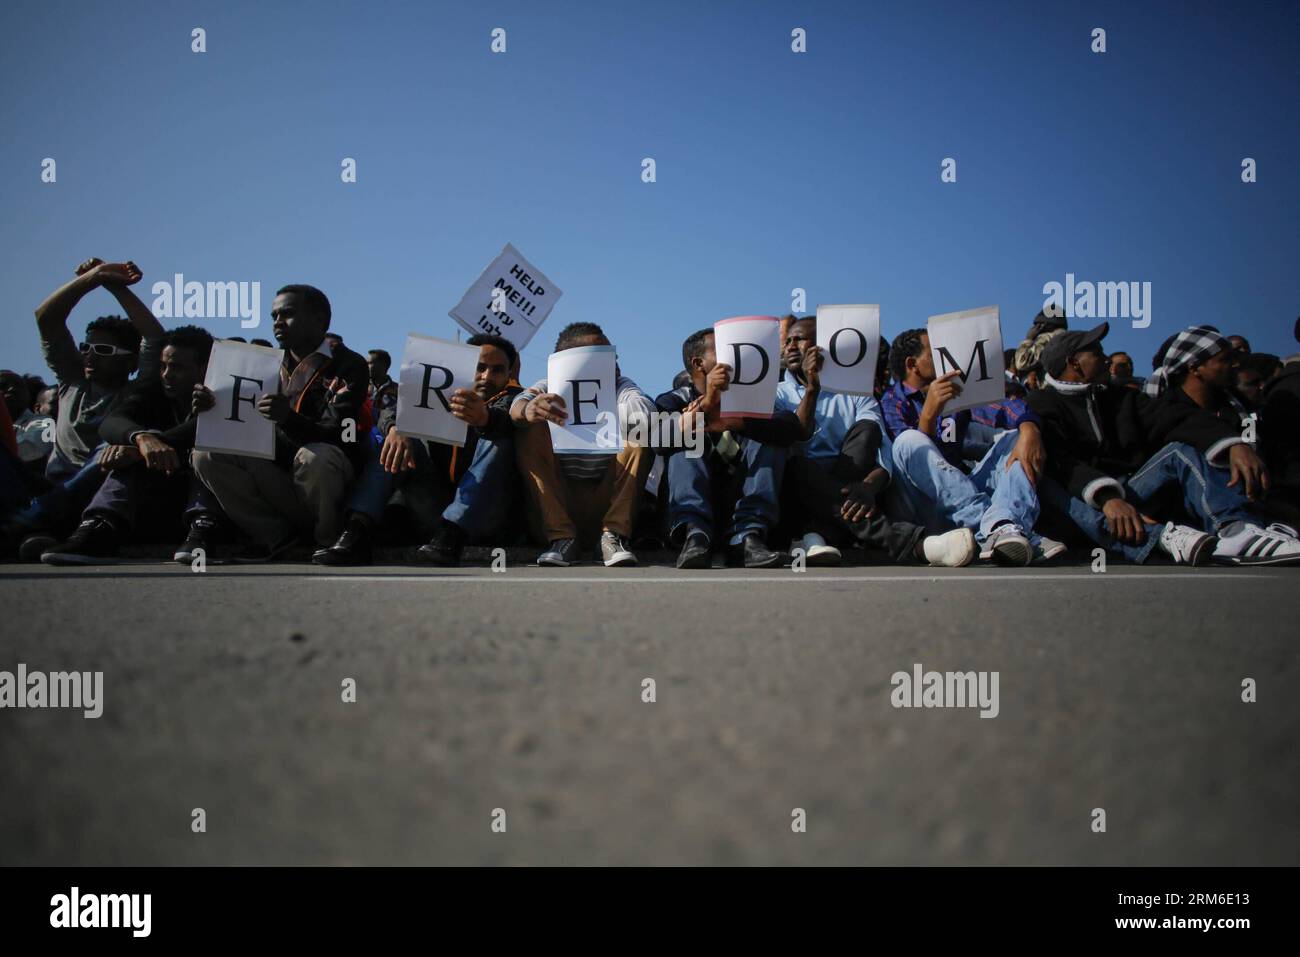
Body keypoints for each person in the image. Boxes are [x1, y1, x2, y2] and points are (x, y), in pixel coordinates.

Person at [1027, 323, 1300, 566]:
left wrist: (1233, 445)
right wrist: (1106, 497)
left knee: (1184, 449)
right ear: (1075, 363)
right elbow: (1062, 462)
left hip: (1133, 492)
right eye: (1097, 353)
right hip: (1081, 504)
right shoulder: (1043, 402)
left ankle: (1235, 530)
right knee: (1048, 478)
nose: (1106, 359)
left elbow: (1177, 418)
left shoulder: (1121, 398)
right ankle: (1160, 539)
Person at [777, 317, 977, 567]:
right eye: (788, 341)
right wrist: (812, 388)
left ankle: (817, 534)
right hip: (802, 486)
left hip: (854, 486)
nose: (791, 346)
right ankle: (919, 544)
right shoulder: (777, 394)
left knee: (867, 429)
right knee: (798, 466)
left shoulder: (855, 393)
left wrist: (868, 486)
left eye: (800, 339)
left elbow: (880, 442)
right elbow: (798, 434)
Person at [191, 285, 370, 561]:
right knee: (206, 454)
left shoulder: (349, 364)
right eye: (273, 315)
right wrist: (207, 408)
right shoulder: (260, 365)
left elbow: (338, 433)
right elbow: (234, 426)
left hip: (325, 480)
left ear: (320, 320)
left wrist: (287, 418)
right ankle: (276, 538)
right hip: (276, 475)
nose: (277, 322)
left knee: (316, 456)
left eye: (287, 314)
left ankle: (327, 541)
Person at [2, 259, 165, 559]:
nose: (90, 356)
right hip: (49, 490)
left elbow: (156, 337)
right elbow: (46, 319)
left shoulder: (137, 392)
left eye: (103, 351)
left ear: (131, 362)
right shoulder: (71, 381)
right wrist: (93, 278)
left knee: (112, 445)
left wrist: (116, 287)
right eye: (86, 348)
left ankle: (26, 528)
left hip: (94, 492)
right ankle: (34, 532)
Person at [315, 334, 524, 566]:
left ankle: (452, 532)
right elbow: (391, 411)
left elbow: (507, 419)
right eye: (480, 367)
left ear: (508, 375)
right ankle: (356, 531)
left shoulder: (514, 399)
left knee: (497, 439)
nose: (487, 376)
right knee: (400, 439)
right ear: (463, 367)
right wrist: (395, 428)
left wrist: (484, 419)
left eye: (497, 370)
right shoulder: (437, 392)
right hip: (433, 512)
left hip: (487, 518)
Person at [39, 327, 224, 564]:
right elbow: (112, 422)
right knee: (130, 444)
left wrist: (145, 448)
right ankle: (100, 526)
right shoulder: (154, 390)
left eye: (177, 367)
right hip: (154, 504)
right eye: (163, 366)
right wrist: (141, 438)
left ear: (203, 369)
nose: (166, 374)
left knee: (208, 444)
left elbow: (199, 432)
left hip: (210, 505)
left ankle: (204, 527)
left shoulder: (225, 395)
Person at [881, 327, 1053, 565]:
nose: (946, 357)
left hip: (961, 499)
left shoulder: (957, 389)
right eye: (935, 353)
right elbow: (909, 459)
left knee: (1014, 438)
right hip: (922, 510)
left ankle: (1003, 527)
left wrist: (1029, 429)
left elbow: (1002, 408)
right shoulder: (892, 400)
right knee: (908, 440)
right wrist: (929, 416)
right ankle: (996, 527)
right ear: (913, 364)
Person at [511, 322, 655, 567]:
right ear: (572, 363)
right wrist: (529, 409)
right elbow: (517, 407)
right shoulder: (547, 386)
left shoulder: (621, 385)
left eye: (613, 356)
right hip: (558, 509)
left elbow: (642, 410)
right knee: (529, 427)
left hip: (605, 508)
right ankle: (561, 538)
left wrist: (609, 396)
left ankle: (613, 536)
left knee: (638, 428)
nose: (614, 363)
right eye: (602, 357)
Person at [656, 328, 800, 568]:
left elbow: (791, 427)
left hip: (746, 511)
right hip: (692, 514)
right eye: (722, 351)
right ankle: (695, 536)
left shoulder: (751, 399)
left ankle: (746, 538)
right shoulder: (674, 399)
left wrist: (740, 423)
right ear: (699, 363)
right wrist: (706, 406)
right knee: (686, 438)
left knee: (769, 434)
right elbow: (651, 437)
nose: (732, 358)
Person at [367, 349, 400, 416]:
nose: (367, 366)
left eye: (370, 363)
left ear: (383, 365)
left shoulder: (399, 391)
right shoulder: (361, 388)